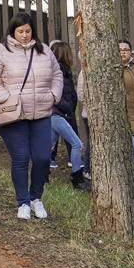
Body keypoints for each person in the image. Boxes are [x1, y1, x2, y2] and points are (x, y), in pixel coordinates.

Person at [0, 13, 63, 220]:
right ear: (13, 31)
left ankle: (36, 198)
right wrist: (3, 96)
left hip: (41, 113)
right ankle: (23, 202)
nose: (24, 35)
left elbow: (57, 74)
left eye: (28, 31)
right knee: (21, 158)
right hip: (14, 114)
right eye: (20, 31)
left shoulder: (44, 50)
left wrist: (54, 94)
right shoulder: (1, 50)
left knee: (42, 158)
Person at [49, 41, 86, 189]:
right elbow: (58, 96)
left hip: (59, 113)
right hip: (57, 114)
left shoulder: (65, 71)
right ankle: (77, 178)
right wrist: (67, 109)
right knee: (77, 143)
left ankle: (42, 175)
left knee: (49, 147)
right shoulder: (57, 72)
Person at [120, 39, 134, 193]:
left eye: (126, 49)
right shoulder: (115, 69)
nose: (123, 52)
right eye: (120, 50)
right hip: (127, 116)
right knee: (131, 147)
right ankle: (130, 179)